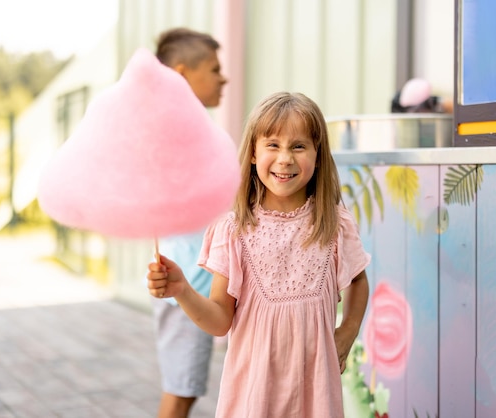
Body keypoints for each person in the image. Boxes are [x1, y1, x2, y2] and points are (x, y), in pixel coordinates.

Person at [147, 91, 371, 417]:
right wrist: (181, 289)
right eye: (273, 145)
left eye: (298, 146)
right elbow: (220, 320)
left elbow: (359, 282)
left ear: (318, 155)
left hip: (315, 394)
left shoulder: (334, 223)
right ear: (253, 153)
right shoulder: (234, 229)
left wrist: (348, 331)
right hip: (254, 395)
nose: (285, 158)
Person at [150, 27, 227, 418]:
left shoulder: (192, 132)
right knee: (181, 390)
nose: (223, 77)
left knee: (186, 386)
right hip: (187, 281)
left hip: (196, 279)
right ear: (182, 75)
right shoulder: (175, 134)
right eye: (214, 69)